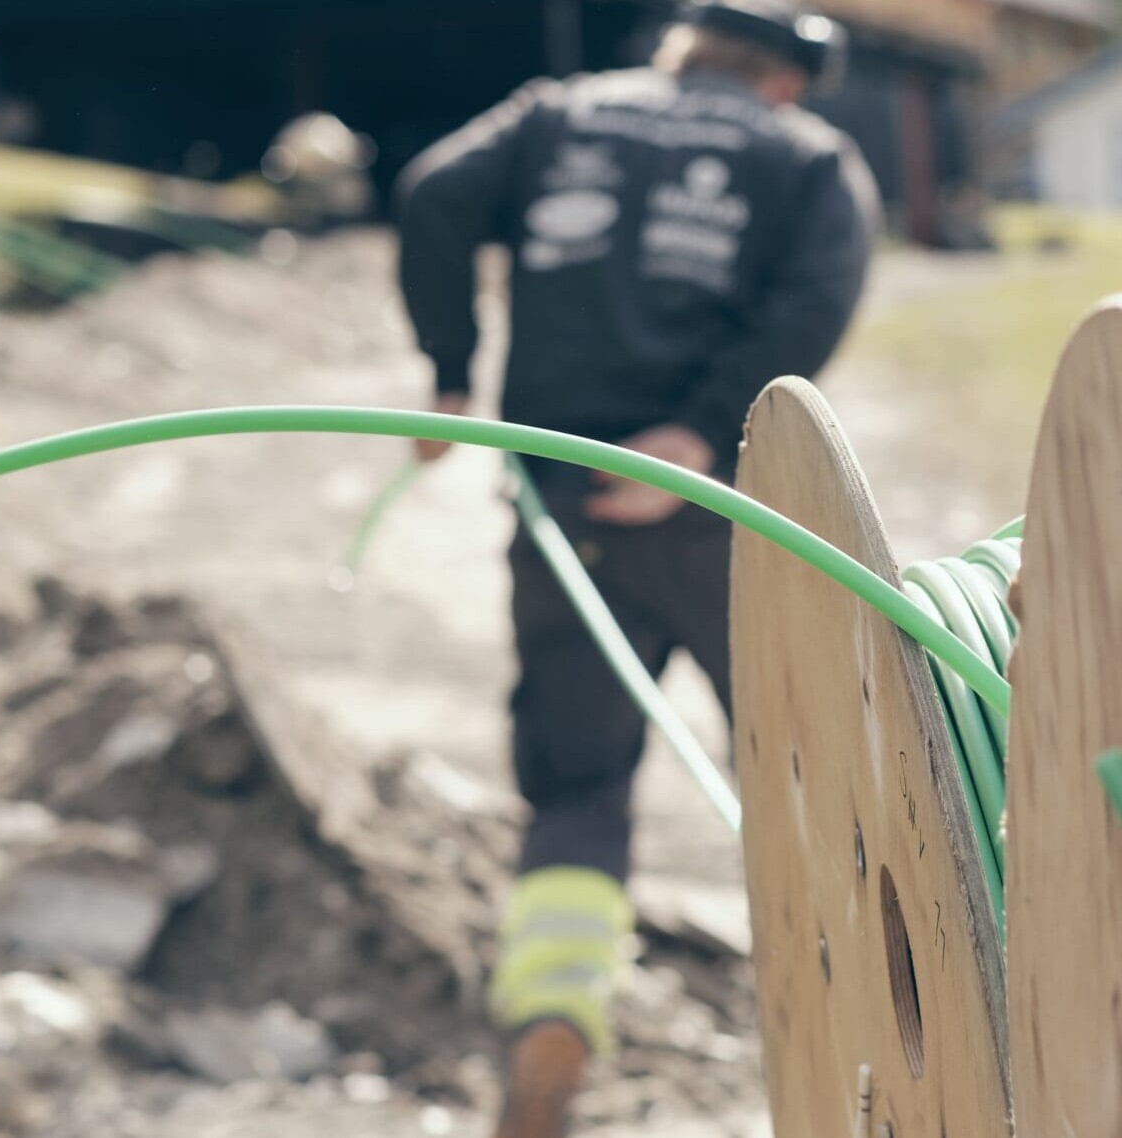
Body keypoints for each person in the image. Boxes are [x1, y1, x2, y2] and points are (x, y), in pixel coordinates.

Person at [395, 3, 877, 1135]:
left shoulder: (554, 117)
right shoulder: (804, 154)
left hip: (564, 501)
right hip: (724, 510)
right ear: (785, 82)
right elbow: (821, 292)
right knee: (809, 777)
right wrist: (700, 434)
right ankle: (867, 1048)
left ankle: (554, 1012)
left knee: (576, 787)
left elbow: (430, 194)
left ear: (679, 50)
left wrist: (452, 375)